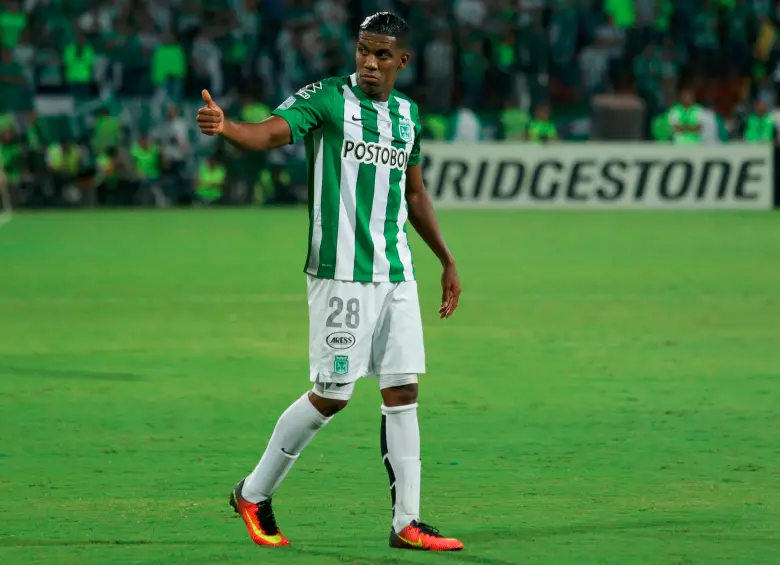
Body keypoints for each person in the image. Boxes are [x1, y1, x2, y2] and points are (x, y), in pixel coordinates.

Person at [196, 12, 464, 552]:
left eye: (382, 54)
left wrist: (446, 260)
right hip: (341, 275)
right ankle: (252, 493)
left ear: (402, 61)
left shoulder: (408, 116)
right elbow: (272, 132)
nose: (369, 61)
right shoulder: (326, 99)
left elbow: (414, 195)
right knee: (332, 394)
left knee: (403, 389)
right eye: (364, 50)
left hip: (397, 272)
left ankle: (406, 522)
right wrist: (228, 128)